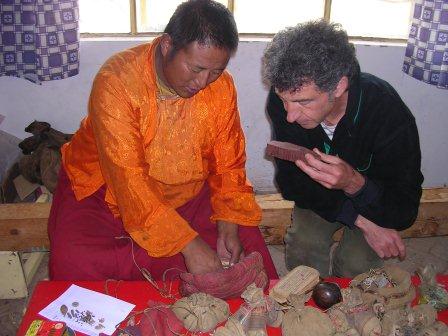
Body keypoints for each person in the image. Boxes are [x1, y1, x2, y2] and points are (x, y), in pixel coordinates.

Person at [48, 0, 278, 281]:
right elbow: (128, 180)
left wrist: (228, 223)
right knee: (75, 260)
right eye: (195, 69)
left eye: (215, 71)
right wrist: (188, 245)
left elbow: (228, 163)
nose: (204, 82)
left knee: (246, 253)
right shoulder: (117, 82)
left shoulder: (221, 86)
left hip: (187, 189)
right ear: (167, 45)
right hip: (106, 185)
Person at [263, 20, 423, 278]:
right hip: (321, 198)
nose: (290, 116)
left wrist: (353, 183)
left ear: (338, 87)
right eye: (284, 101)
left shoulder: (388, 113)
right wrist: (358, 220)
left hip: (375, 201)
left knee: (356, 265)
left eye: (303, 102)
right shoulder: (286, 100)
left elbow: (404, 208)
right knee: (303, 247)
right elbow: (291, 183)